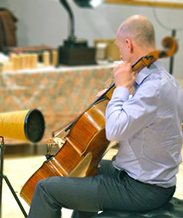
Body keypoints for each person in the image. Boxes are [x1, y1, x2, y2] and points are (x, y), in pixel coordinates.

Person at [28, 15, 183, 218]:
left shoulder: (151, 88)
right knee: (86, 169)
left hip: (142, 189)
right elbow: (151, 117)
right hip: (156, 180)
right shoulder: (168, 81)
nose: (119, 54)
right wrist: (121, 95)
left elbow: (114, 130)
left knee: (46, 188)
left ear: (129, 44)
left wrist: (119, 90)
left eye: (119, 47)